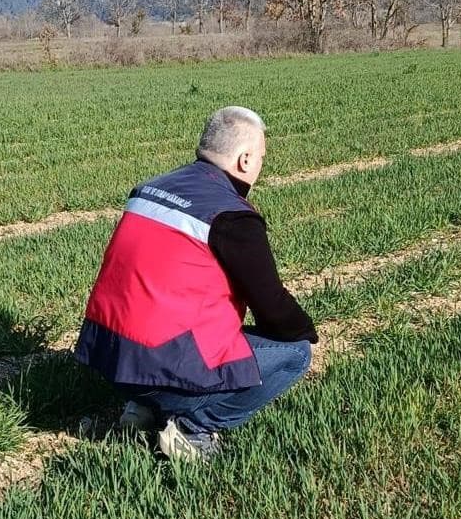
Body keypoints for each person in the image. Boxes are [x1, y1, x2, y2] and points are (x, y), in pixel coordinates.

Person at [74, 106, 318, 461]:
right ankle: (193, 429)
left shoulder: (148, 190)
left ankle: (142, 409)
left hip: (109, 358)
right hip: (162, 367)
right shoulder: (232, 217)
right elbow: (272, 307)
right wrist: (305, 331)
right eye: (262, 157)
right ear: (245, 159)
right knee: (295, 353)